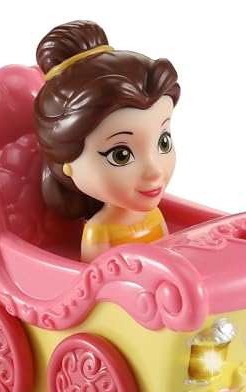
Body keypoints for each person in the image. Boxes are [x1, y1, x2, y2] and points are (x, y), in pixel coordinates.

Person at [34, 20, 180, 263]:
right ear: (67, 164)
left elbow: (170, 253)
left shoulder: (153, 214)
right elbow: (95, 277)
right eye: (121, 155)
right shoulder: (99, 230)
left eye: (163, 142)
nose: (155, 170)